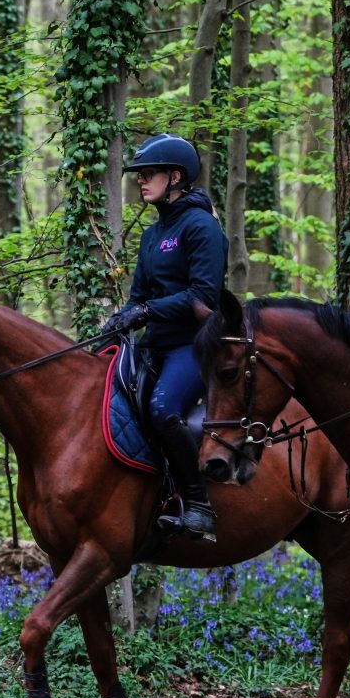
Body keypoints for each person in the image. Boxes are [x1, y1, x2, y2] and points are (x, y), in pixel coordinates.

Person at [99, 134, 228, 540]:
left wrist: (147, 311)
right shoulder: (153, 235)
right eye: (140, 175)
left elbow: (202, 297)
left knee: (161, 408)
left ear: (175, 177)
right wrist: (123, 317)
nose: (141, 181)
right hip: (153, 343)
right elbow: (139, 295)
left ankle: (199, 504)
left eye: (149, 174)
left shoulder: (201, 226)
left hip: (191, 345)